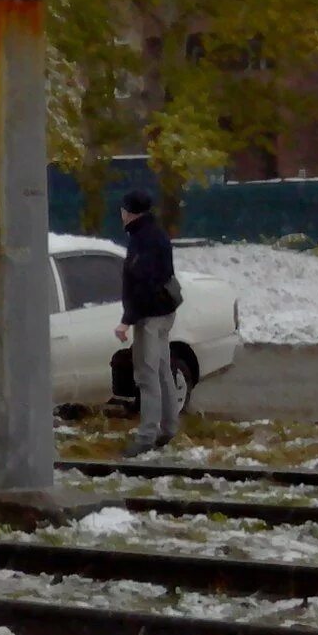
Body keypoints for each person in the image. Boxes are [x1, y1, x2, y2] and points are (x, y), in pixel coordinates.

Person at [116, 188, 182, 458]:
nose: (121, 214)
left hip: (150, 315)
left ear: (129, 212)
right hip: (165, 310)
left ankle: (147, 435)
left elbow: (141, 284)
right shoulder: (155, 233)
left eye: (122, 209)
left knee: (146, 373)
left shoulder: (142, 240)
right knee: (163, 369)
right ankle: (168, 427)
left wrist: (126, 321)